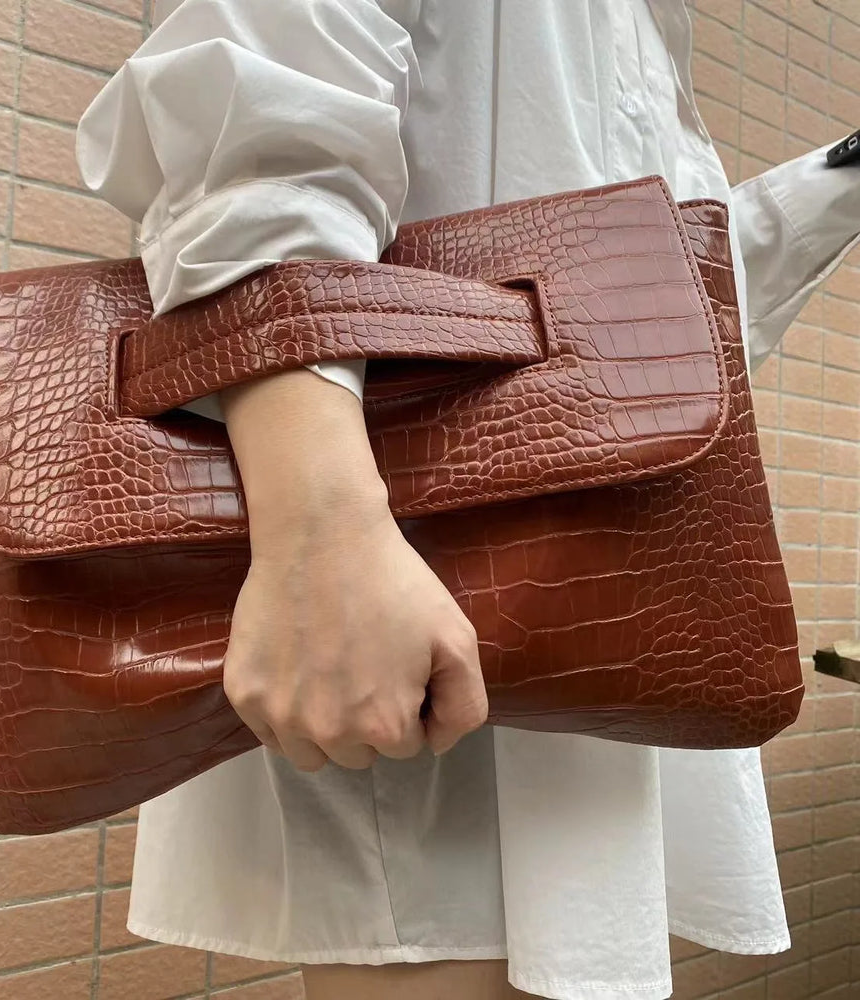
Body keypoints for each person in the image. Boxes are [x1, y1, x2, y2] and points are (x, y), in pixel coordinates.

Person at [76, 3, 860, 997]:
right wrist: (320, 532)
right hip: (405, 572)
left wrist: (840, 180)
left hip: (592, 614)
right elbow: (258, 91)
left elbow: (659, 307)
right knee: (432, 931)